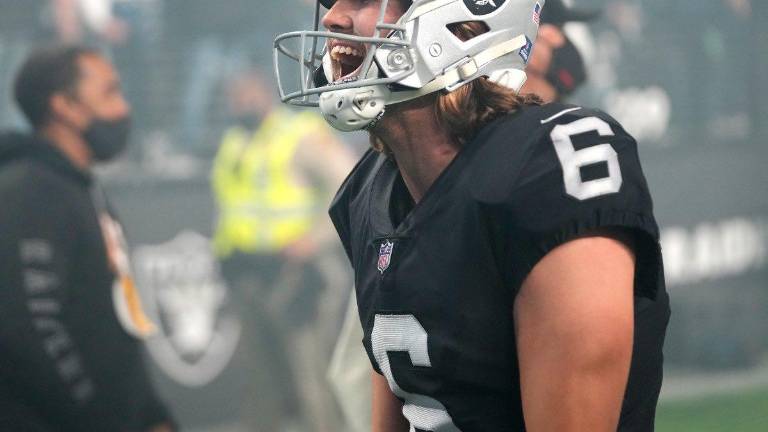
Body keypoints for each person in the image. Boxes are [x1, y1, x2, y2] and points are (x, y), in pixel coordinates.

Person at [274, 0, 670, 431]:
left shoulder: (551, 167)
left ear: (465, 17)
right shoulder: (373, 188)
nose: (332, 17)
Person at [0, 45, 174, 431]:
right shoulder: (28, 191)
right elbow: (28, 326)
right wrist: (99, 416)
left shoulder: (82, 187)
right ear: (65, 106)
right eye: (110, 93)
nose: (124, 108)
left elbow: (115, 323)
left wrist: (150, 414)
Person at [211, 68, 356, 431]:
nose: (240, 103)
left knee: (311, 377)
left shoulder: (299, 134)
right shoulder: (235, 140)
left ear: (265, 92)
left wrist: (315, 239)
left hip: (296, 275)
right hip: (248, 272)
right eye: (234, 96)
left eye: (247, 93)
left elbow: (348, 184)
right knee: (259, 381)